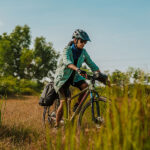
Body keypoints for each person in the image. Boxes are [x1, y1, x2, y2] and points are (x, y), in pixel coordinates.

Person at [54, 29, 107, 127]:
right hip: (62, 78)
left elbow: (92, 65)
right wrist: (78, 69)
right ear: (75, 40)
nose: (83, 44)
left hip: (75, 77)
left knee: (85, 86)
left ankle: (77, 106)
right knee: (64, 102)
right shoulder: (67, 50)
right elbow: (67, 62)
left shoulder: (83, 52)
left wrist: (101, 76)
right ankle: (56, 125)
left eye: (85, 42)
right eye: (82, 41)